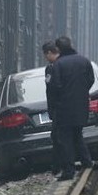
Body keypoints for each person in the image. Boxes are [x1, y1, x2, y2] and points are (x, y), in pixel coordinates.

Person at [47, 36, 95, 181]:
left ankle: (69, 171)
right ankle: (87, 162)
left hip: (64, 108)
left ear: (58, 48)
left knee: (65, 139)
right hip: (81, 106)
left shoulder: (58, 64)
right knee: (77, 135)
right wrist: (81, 92)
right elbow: (91, 80)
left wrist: (55, 105)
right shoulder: (84, 61)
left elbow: (54, 86)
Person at [42, 40, 64, 175]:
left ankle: (57, 167)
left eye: (46, 55)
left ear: (49, 53)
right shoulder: (66, 64)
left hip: (58, 108)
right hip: (67, 107)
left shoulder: (51, 67)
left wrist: (51, 110)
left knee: (57, 137)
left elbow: (50, 90)